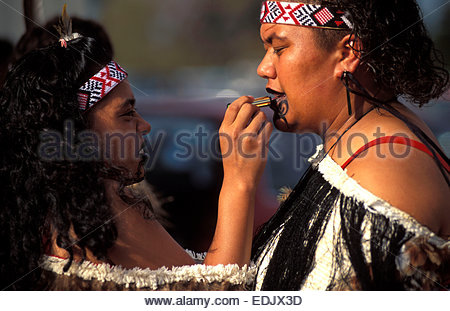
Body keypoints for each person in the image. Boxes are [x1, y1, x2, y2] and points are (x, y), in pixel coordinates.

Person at [0, 11, 272, 290]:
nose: (145, 125)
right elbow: (217, 296)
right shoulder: (102, 211)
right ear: (79, 134)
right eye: (127, 113)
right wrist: (240, 182)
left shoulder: (50, 206)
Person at [229, 0, 450, 290]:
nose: (264, 68)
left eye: (280, 48)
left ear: (348, 52)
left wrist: (237, 186)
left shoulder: (385, 172)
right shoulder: (362, 147)